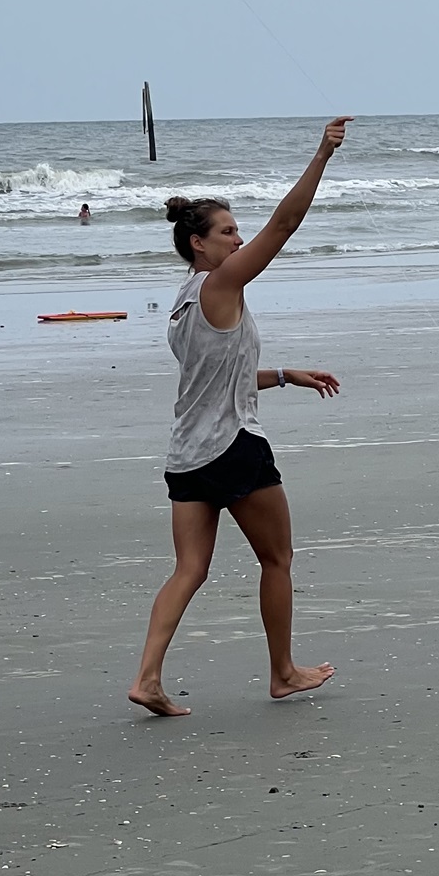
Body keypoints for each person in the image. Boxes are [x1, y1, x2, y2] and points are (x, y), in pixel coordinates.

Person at [129, 117, 353, 717]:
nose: (237, 239)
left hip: (186, 456)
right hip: (232, 447)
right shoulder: (221, 283)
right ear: (199, 244)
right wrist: (321, 156)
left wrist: (285, 374)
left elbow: (212, 379)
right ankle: (283, 672)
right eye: (228, 232)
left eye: (237, 231)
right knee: (276, 558)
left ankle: (147, 678)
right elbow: (284, 225)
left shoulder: (181, 302)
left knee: (189, 569)